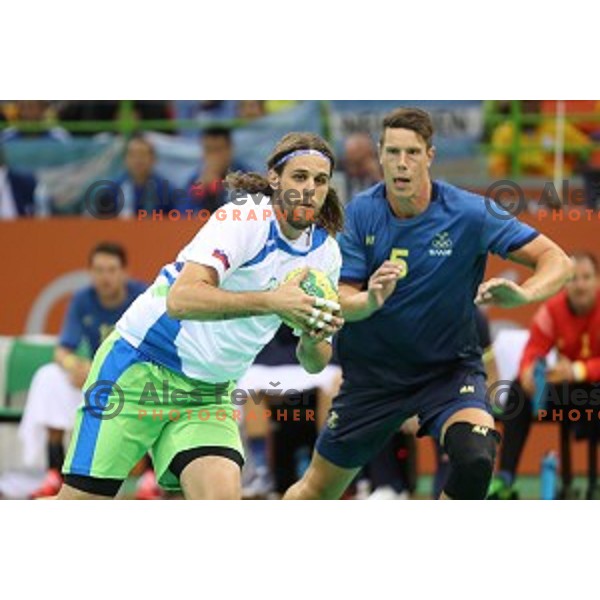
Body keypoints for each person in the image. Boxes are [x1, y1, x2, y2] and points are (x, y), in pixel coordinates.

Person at [284, 107, 572, 501]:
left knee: (475, 459)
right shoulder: (358, 216)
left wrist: (525, 294)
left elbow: (557, 260)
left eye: (413, 153)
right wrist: (370, 299)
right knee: (314, 492)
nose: (402, 164)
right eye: (394, 152)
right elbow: (341, 300)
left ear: (429, 156)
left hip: (448, 373)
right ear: (380, 155)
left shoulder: (471, 212)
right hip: (373, 378)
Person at [56, 132, 345, 500]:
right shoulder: (245, 218)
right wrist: (274, 301)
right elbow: (182, 298)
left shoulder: (326, 256)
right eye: (299, 177)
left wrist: (315, 331)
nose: (309, 189)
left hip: (209, 392)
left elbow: (314, 363)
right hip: (140, 367)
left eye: (320, 181)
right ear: (275, 179)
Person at [19, 243, 147, 498]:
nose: (105, 277)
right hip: (96, 380)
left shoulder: (144, 297)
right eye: (99, 270)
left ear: (124, 272)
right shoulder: (82, 299)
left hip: (135, 378)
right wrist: (74, 366)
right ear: (90, 272)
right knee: (49, 376)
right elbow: (62, 350)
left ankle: (150, 478)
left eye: (111, 270)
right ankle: (54, 471)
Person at [490, 252, 600, 499]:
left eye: (586, 278)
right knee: (519, 390)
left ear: (597, 281)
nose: (580, 285)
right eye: (573, 278)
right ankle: (505, 479)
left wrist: (576, 370)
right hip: (569, 390)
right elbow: (534, 348)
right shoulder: (553, 310)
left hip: (594, 389)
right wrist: (528, 371)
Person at [177, 126, 249, 214]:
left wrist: (219, 190)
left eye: (218, 150)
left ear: (230, 149)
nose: (213, 156)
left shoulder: (245, 176)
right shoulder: (195, 179)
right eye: (208, 150)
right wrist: (200, 191)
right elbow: (183, 214)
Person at [114, 134, 174, 217]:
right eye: (133, 155)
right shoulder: (113, 189)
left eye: (142, 155)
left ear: (153, 159)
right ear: (125, 160)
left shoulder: (167, 190)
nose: (138, 160)